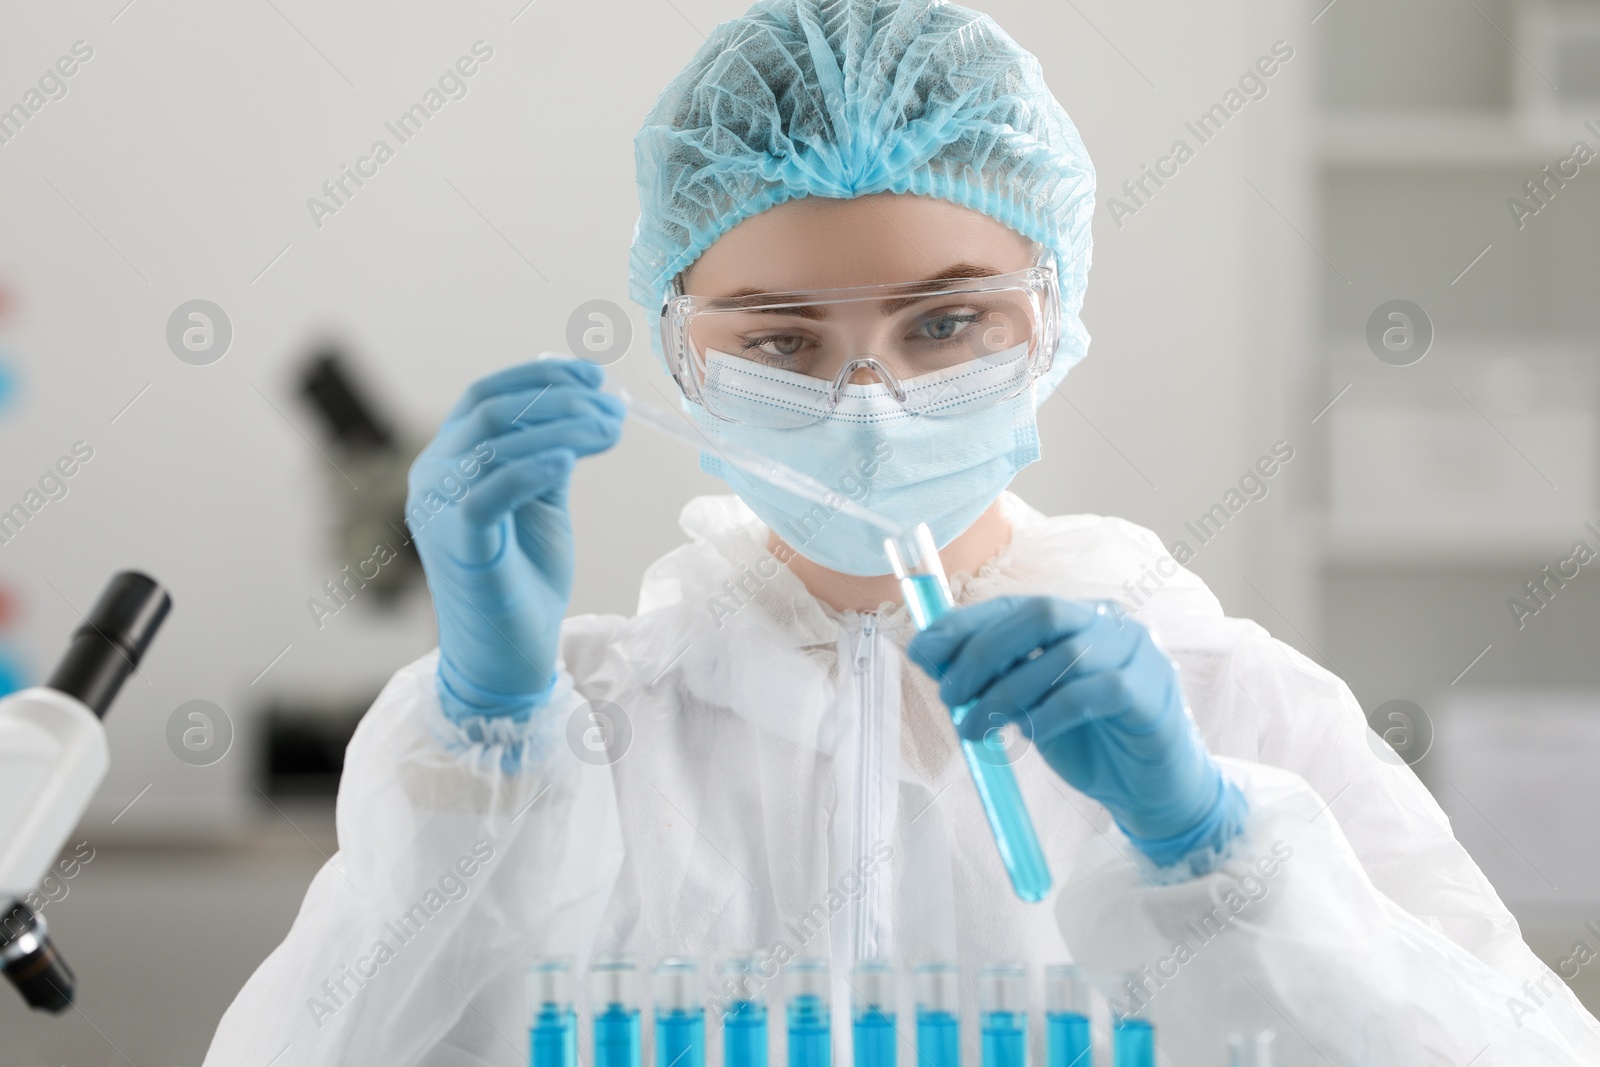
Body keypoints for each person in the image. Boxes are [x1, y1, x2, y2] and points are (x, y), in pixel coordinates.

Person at [204, 2, 1600, 1064]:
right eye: (780, 339)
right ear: (684, 359)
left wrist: (1218, 859)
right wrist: (491, 745)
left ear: (1048, 320)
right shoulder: (591, 737)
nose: (868, 398)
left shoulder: (1233, 713)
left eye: (947, 322)